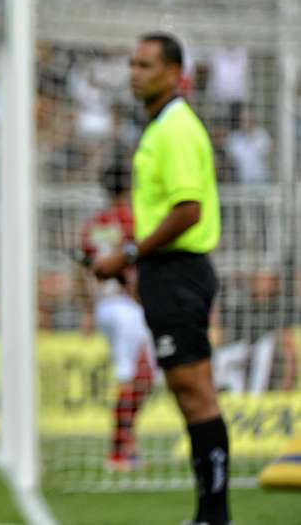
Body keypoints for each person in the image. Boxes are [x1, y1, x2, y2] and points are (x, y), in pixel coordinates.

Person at [92, 33, 230, 525]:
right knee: (189, 392)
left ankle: (215, 515)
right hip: (165, 274)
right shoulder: (158, 126)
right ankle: (209, 513)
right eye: (131, 63)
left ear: (174, 73)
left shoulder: (175, 129)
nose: (134, 72)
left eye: (145, 64)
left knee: (196, 394)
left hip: (178, 272)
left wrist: (127, 254)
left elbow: (188, 210)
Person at [77, 162, 155, 472]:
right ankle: (119, 451)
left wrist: (88, 310)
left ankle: (127, 444)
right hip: (127, 305)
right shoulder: (131, 219)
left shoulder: (95, 223)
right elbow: (134, 264)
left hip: (104, 305)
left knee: (140, 375)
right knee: (135, 376)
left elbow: (83, 270)